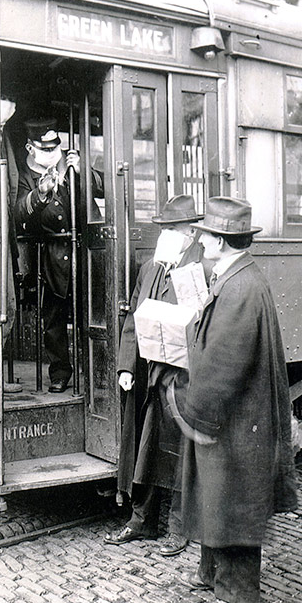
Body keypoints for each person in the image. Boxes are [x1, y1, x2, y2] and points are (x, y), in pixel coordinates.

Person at [169, 196, 298, 603]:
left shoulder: (239, 286)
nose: (201, 241)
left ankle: (234, 595)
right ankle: (212, 574)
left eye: (205, 235)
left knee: (236, 505)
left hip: (234, 422)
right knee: (218, 498)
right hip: (236, 418)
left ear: (221, 241)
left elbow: (224, 363)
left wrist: (192, 407)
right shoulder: (239, 277)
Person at [104, 195, 206, 555]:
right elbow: (133, 318)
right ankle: (141, 520)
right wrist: (126, 365)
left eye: (172, 229)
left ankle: (180, 527)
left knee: (181, 449)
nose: (164, 234)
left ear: (191, 232)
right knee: (145, 446)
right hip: (148, 374)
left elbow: (206, 325)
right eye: (163, 228)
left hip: (183, 376)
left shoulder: (201, 269)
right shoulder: (150, 268)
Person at [14, 118, 103, 393]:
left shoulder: (70, 164)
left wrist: (82, 171)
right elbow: (19, 214)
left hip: (86, 253)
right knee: (54, 319)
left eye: (55, 148)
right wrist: (40, 193)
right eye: (45, 149)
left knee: (91, 314)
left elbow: (101, 190)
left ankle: (96, 370)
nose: (52, 153)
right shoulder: (26, 176)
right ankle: (60, 372)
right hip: (52, 256)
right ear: (30, 148)